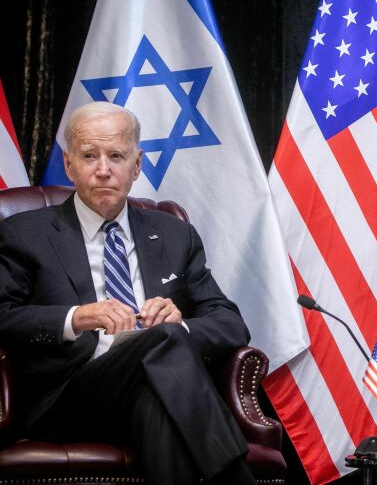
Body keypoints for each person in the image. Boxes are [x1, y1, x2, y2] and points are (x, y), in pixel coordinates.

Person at [0, 102, 256, 484]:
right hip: (69, 397)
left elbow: (231, 323)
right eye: (89, 156)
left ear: (136, 166)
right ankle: (236, 476)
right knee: (162, 343)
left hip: (154, 388)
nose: (103, 169)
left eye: (116, 156)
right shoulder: (24, 233)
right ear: (69, 165)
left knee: (156, 389)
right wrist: (76, 317)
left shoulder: (173, 233)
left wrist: (180, 326)